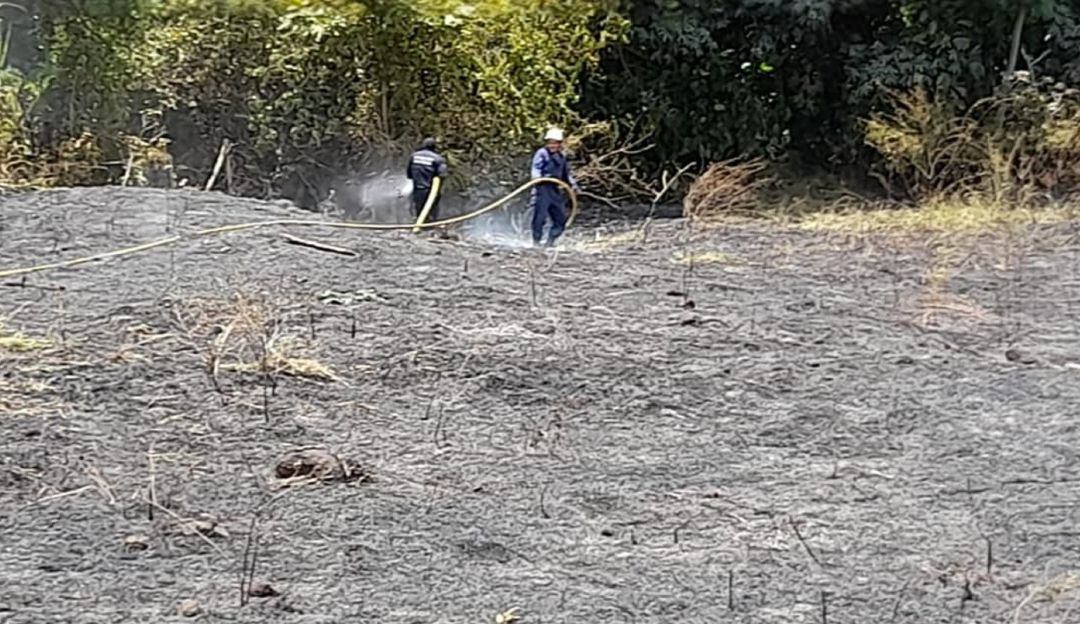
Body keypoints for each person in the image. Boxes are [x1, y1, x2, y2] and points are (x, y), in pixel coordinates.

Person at [529, 127, 580, 246]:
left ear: (560, 144)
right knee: (539, 218)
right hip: (542, 189)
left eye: (555, 143)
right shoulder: (541, 153)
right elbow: (536, 168)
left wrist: (573, 186)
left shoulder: (561, 157)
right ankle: (536, 242)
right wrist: (537, 178)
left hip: (554, 190)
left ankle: (550, 242)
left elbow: (565, 175)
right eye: (550, 143)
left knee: (560, 219)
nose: (552, 146)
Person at [406, 137, 448, 229]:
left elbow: (409, 174)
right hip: (431, 191)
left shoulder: (414, 156)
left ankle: (419, 227)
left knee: (419, 210)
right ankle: (429, 229)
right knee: (431, 212)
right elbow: (443, 175)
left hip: (417, 189)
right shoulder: (438, 159)